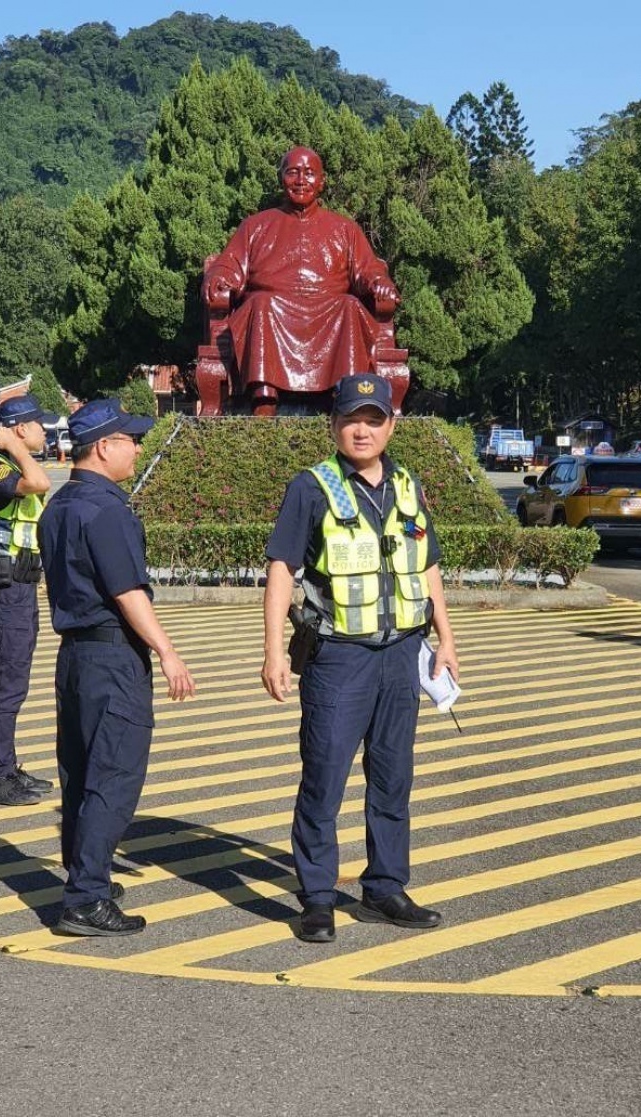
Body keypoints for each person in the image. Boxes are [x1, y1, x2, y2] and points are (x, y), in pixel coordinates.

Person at [261, 373, 458, 944]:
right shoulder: (312, 487)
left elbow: (427, 567)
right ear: (334, 425)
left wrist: (446, 639)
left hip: (402, 655)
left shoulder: (407, 486)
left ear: (392, 425)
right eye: (353, 419)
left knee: (393, 778)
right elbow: (280, 570)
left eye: (374, 419)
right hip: (339, 658)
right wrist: (273, 648)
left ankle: (385, 888)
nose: (363, 430)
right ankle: (318, 897)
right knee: (323, 777)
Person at [38, 399, 196, 936]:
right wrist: (166, 651)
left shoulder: (60, 505)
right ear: (104, 447)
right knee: (115, 775)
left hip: (75, 656)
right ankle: (86, 898)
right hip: (111, 656)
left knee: (80, 770)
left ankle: (87, 873)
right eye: (129, 440)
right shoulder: (107, 510)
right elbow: (127, 591)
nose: (136, 448)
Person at [202, 146, 400, 410]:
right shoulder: (255, 225)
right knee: (262, 303)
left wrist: (380, 283)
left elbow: (368, 269)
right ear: (281, 177)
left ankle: (345, 399)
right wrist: (219, 277)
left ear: (321, 181)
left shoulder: (345, 228)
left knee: (349, 306)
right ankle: (264, 399)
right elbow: (229, 266)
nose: (300, 180)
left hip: (329, 311)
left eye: (309, 173)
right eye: (292, 172)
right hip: (272, 310)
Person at [0, 394, 56, 807]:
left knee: (16, 683)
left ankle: (8, 767)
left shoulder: (17, 462)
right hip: (5, 591)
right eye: (39, 424)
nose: (46, 431)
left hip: (22, 588)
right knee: (9, 685)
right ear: (21, 428)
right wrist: (13, 446)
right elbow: (39, 484)